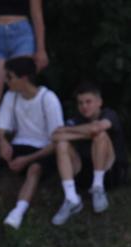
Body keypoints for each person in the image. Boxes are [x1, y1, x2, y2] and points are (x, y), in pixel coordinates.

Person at [0, 56, 63, 230]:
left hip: (43, 149)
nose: (6, 81)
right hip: (19, 145)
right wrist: (2, 143)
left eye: (10, 77)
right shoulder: (11, 96)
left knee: (34, 169)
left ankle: (18, 212)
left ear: (23, 78)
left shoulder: (48, 99)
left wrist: (27, 159)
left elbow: (57, 141)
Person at [51, 82, 128, 220]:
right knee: (61, 144)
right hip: (83, 174)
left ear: (99, 102)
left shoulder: (109, 114)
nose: (84, 106)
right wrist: (87, 133)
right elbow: (55, 136)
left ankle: (98, 187)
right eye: (80, 103)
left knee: (100, 135)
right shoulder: (76, 120)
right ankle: (71, 198)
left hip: (110, 173)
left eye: (88, 102)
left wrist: (68, 131)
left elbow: (97, 128)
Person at [0, 0, 48, 127]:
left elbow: (37, 13)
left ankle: (22, 133)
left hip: (21, 35)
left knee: (22, 87)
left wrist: (41, 49)